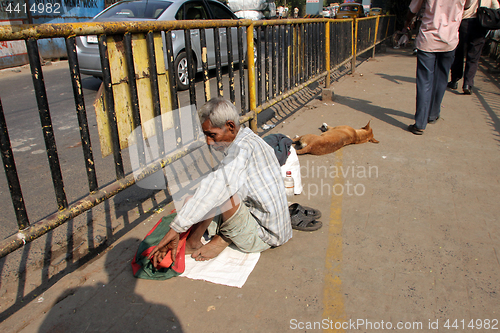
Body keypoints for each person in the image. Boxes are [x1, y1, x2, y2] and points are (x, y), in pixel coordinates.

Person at [148, 98, 292, 265]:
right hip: (275, 225)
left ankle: (196, 242)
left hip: (266, 236)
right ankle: (221, 237)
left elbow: (217, 188)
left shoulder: (240, 151)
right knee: (195, 199)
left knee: (217, 191)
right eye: (206, 135)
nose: (209, 142)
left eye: (212, 135)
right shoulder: (248, 137)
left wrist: (176, 229)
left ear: (230, 126)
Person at [403, 0, 473, 135]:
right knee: (442, 78)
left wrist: (407, 23)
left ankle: (420, 123)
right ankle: (433, 114)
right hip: (450, 39)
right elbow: (468, 6)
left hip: (428, 38)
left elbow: (413, 9)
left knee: (425, 81)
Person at [448, 0, 500, 95]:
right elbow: (496, 7)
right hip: (481, 24)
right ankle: (467, 84)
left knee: (459, 53)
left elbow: (466, 4)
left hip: (465, 22)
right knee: (474, 57)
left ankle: (454, 80)